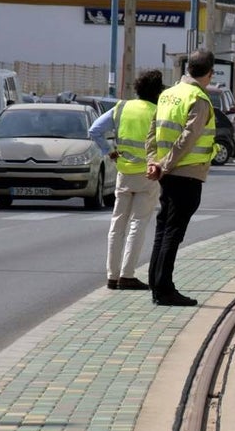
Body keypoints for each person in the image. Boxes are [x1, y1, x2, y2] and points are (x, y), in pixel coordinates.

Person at [146, 49, 216, 307]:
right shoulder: (199, 98)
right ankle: (164, 289)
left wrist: (154, 163)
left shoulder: (168, 94)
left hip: (166, 172)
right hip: (186, 173)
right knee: (173, 232)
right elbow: (188, 139)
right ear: (209, 73)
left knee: (163, 229)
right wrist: (164, 164)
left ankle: (156, 283)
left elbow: (152, 131)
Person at [88, 69, 165, 291]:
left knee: (117, 223)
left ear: (137, 89)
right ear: (158, 91)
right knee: (138, 224)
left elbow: (95, 130)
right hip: (148, 174)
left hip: (124, 172)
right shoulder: (158, 112)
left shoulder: (122, 107)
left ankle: (111, 276)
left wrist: (109, 151)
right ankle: (127, 275)